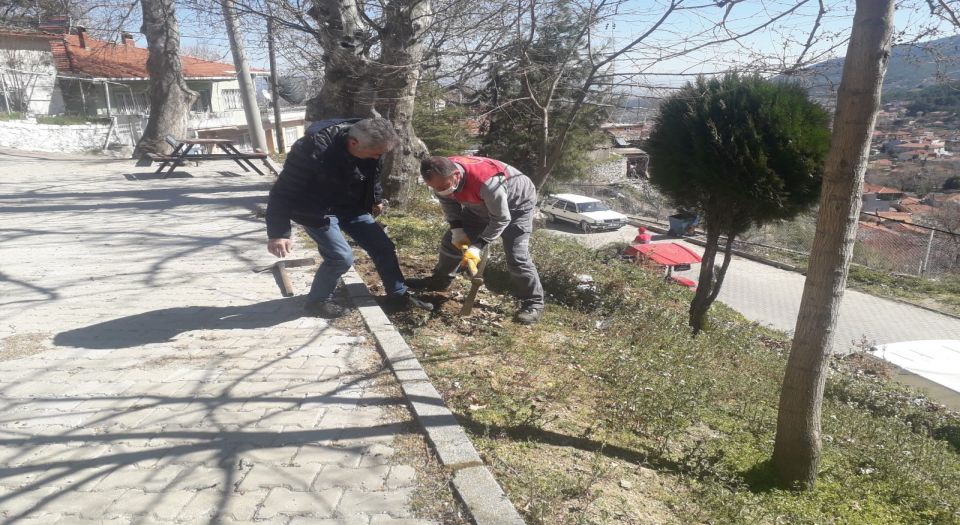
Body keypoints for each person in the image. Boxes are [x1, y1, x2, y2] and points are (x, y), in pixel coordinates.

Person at [265, 117, 433, 318]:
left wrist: (375, 199)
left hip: (351, 206)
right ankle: (317, 302)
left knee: (383, 247)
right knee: (340, 257)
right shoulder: (310, 149)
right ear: (354, 143)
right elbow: (282, 191)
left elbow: (373, 175)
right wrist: (278, 233)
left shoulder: (373, 146)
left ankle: (398, 296)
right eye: (374, 154)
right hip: (316, 209)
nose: (377, 157)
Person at [408, 155, 544, 325]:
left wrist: (478, 246)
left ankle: (533, 303)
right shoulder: (441, 174)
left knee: (517, 257)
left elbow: (501, 219)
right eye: (435, 188)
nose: (441, 190)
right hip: (479, 203)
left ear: (456, 175)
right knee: (450, 241)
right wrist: (457, 230)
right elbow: (449, 204)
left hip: (517, 205)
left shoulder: (488, 183)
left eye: (444, 186)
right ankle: (441, 280)